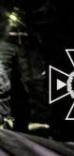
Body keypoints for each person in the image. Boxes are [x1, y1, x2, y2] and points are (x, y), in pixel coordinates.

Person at [0, 4, 50, 133]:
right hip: (4, 39)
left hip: (30, 39)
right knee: (1, 81)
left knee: (36, 80)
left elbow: (46, 10)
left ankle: (38, 120)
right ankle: (3, 119)